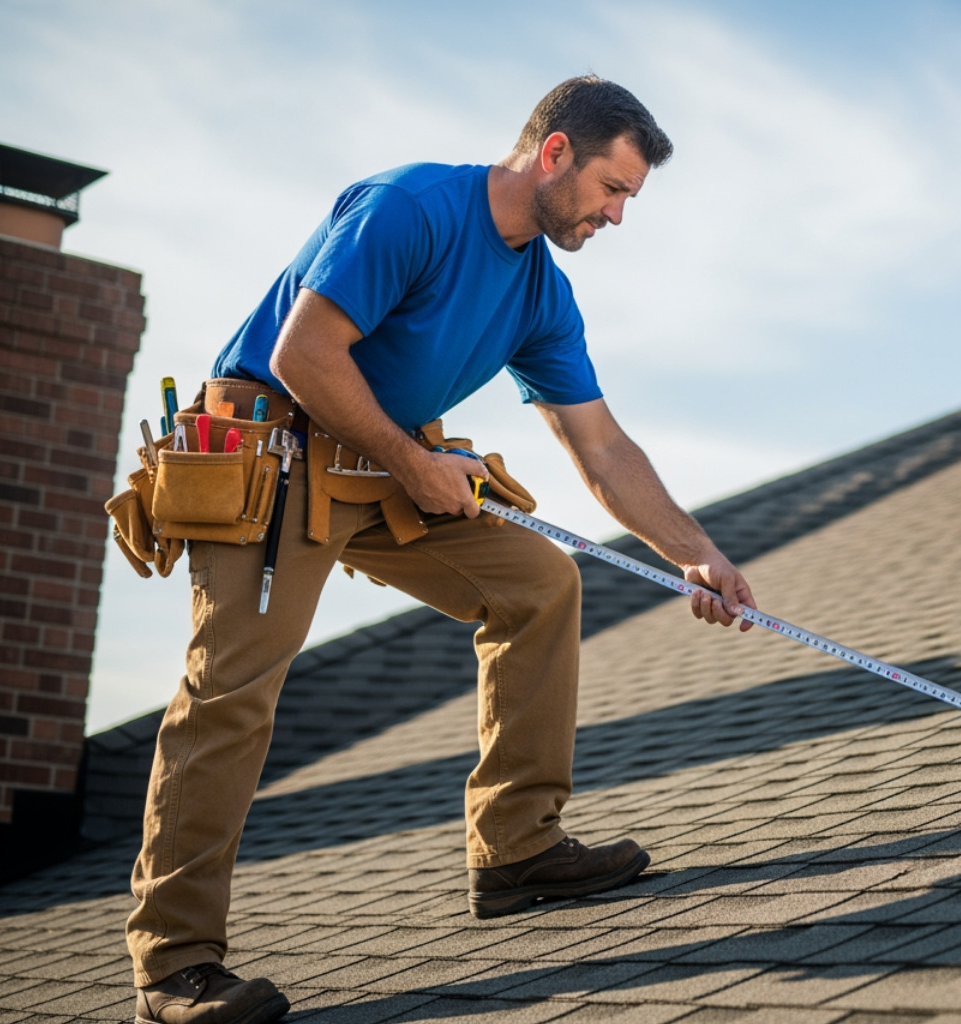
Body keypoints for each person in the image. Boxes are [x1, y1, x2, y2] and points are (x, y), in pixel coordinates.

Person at [127, 76, 757, 1024]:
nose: (619, 216)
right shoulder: (411, 207)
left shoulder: (541, 292)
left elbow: (601, 446)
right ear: (555, 155)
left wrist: (694, 553)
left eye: (630, 197)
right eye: (613, 189)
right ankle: (173, 968)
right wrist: (410, 460)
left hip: (386, 464)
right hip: (272, 454)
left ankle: (515, 847)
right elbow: (304, 355)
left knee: (539, 584)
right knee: (233, 689)